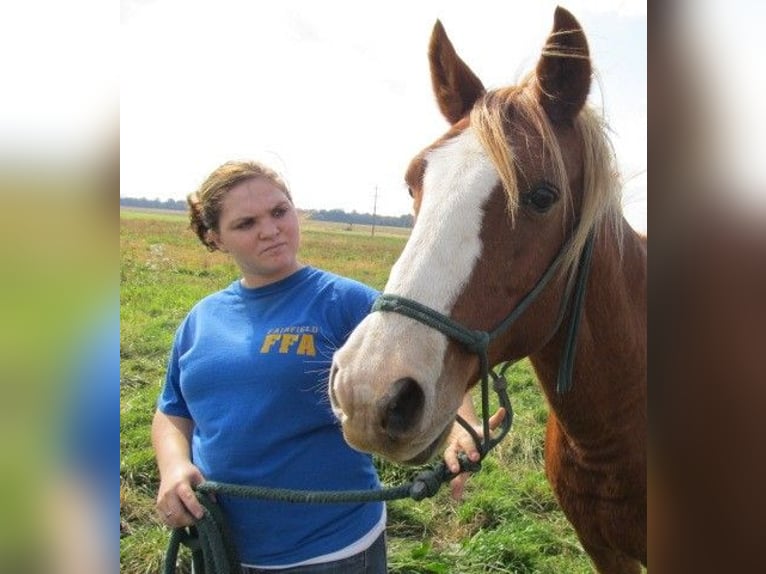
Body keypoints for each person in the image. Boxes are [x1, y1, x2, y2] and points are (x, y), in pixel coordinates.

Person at [152, 160, 387, 573]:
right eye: (246, 223)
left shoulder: (346, 302)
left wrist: (461, 429)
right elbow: (173, 410)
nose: (270, 229)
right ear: (215, 238)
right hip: (219, 547)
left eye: (279, 212)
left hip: (328, 550)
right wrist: (173, 466)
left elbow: (427, 358)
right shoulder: (201, 319)